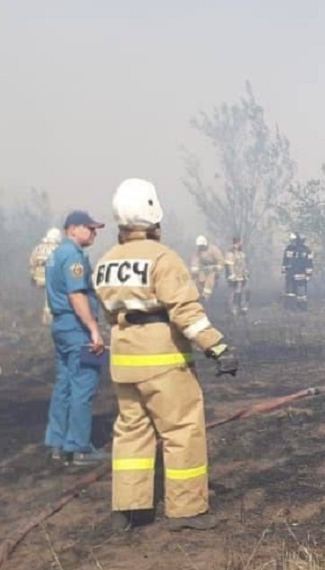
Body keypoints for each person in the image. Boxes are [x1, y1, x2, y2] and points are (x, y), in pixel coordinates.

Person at [94, 178, 239, 531]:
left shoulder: (106, 261)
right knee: (182, 429)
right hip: (163, 359)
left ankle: (129, 510)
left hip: (124, 360)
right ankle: (187, 510)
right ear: (153, 216)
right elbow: (185, 310)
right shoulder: (163, 258)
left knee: (131, 431)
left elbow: (109, 313)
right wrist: (216, 346)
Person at [44, 210, 108, 465]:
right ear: (73, 229)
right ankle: (80, 448)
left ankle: (58, 444)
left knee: (64, 386)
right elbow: (76, 295)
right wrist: (93, 329)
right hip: (77, 327)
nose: (94, 233)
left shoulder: (56, 254)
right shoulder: (73, 256)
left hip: (61, 326)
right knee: (84, 384)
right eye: (90, 228)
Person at [29, 227, 63, 325]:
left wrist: (33, 275)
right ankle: (49, 319)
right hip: (51, 279)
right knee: (50, 300)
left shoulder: (38, 248)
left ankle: (40, 315)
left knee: (46, 297)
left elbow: (32, 262)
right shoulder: (58, 249)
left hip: (38, 279)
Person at [189, 234, 224, 311]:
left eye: (202, 246)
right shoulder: (198, 252)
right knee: (194, 280)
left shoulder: (214, 249)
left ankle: (206, 295)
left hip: (212, 270)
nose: (201, 248)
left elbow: (220, 260)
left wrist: (218, 267)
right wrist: (194, 268)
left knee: (210, 278)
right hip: (202, 270)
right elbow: (195, 261)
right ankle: (193, 295)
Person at [281, 232, 314, 310]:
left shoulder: (306, 250)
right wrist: (285, 270)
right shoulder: (289, 249)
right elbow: (285, 260)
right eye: (291, 241)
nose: (292, 243)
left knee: (301, 293)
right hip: (290, 274)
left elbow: (309, 263)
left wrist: (308, 275)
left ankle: (302, 308)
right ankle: (290, 307)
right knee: (290, 292)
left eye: (294, 241)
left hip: (301, 275)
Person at [223, 236, 250, 316]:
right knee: (234, 292)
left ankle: (242, 307)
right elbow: (229, 266)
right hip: (234, 276)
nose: (241, 245)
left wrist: (246, 272)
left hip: (242, 275)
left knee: (244, 291)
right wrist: (232, 275)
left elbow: (244, 264)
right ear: (236, 243)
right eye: (239, 243)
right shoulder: (230, 254)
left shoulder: (242, 254)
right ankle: (232, 308)